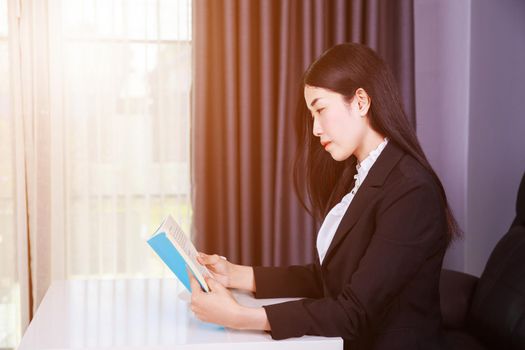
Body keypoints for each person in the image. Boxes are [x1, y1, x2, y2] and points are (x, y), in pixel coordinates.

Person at [188, 42, 460, 350]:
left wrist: (241, 316)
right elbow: (330, 280)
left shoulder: (411, 191)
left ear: (360, 102)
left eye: (320, 110)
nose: (315, 129)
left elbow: (353, 312)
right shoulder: (360, 175)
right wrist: (238, 275)